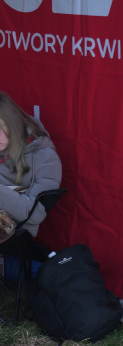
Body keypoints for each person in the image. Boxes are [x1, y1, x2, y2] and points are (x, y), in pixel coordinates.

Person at [0, 92, 62, 238]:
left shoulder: (44, 158)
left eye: (2, 127)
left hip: (12, 236)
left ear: (14, 124)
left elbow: (35, 215)